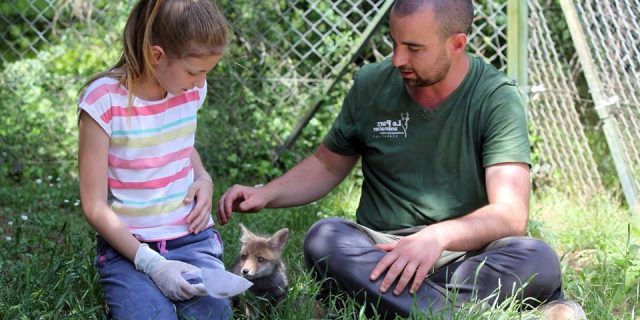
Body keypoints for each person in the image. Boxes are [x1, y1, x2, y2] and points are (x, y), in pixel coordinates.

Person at [218, 0, 583, 319]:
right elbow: (328, 165)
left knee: (538, 259)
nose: (398, 59)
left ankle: (390, 304)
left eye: (414, 48)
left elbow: (510, 214)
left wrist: (436, 237)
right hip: (379, 251)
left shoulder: (496, 98)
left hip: (464, 257)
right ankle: (454, 311)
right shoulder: (371, 85)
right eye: (394, 43)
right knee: (324, 238)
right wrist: (266, 193)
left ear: (457, 43)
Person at [77, 0, 231, 319]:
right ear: (156, 55)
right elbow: (93, 207)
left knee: (214, 313)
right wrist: (152, 264)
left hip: (191, 237)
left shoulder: (188, 90)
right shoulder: (103, 100)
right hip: (129, 246)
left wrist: (203, 178)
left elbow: (180, 143)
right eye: (194, 71)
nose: (201, 82)